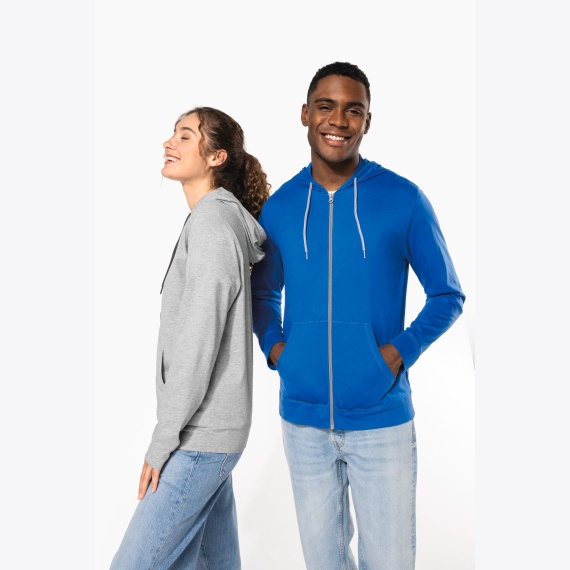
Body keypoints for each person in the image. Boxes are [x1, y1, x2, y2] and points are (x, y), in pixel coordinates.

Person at [251, 62, 465, 569]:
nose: (338, 120)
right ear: (305, 114)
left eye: (354, 110)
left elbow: (447, 295)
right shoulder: (280, 207)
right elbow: (263, 294)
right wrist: (279, 351)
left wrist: (397, 352)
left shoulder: (403, 199)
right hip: (302, 421)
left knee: (390, 562)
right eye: (325, 106)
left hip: (380, 419)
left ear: (368, 121)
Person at [110, 106, 270, 569]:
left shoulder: (214, 225)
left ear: (216, 156)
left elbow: (198, 346)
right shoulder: (211, 220)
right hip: (207, 433)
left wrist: (162, 443)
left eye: (185, 135)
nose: (170, 142)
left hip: (200, 437)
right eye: (172, 134)